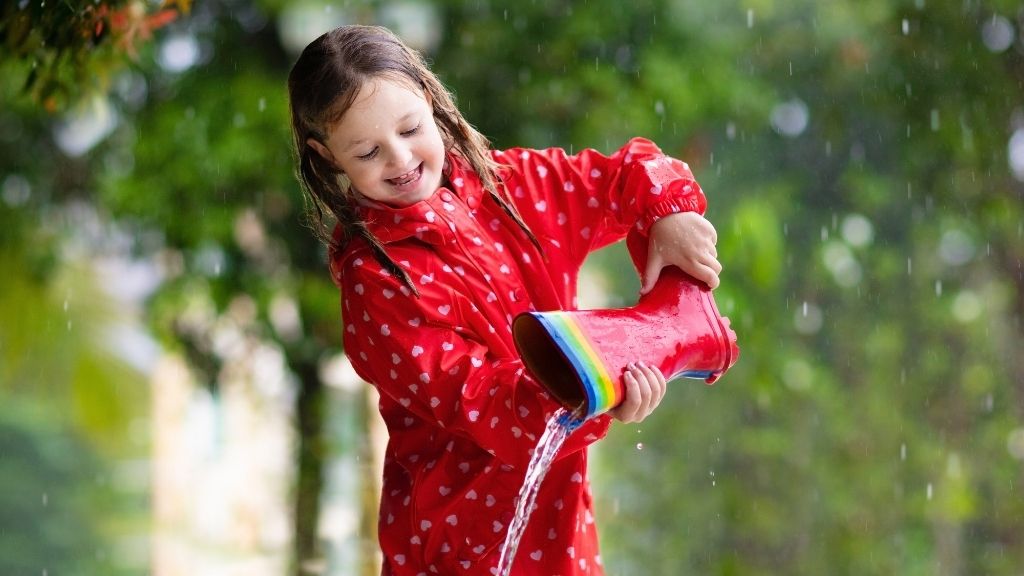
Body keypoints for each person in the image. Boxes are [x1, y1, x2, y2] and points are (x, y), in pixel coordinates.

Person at [287, 24, 721, 576]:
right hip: (455, 539)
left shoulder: (514, 187)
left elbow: (622, 177)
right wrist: (591, 385)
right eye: (368, 151)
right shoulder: (377, 282)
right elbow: (479, 399)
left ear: (430, 98)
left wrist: (669, 212)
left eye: (410, 128)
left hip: (560, 523)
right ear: (327, 157)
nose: (400, 159)